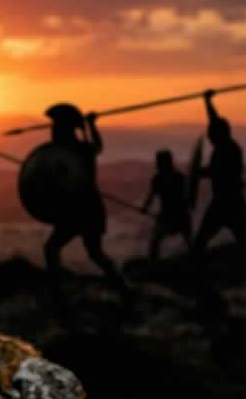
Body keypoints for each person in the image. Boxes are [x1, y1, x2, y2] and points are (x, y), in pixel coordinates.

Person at [40, 104, 129, 305]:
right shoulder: (73, 149)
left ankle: (59, 293)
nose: (52, 129)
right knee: (70, 251)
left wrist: (90, 126)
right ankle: (122, 289)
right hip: (79, 209)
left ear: (65, 128)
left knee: (89, 253)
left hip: (83, 209)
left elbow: (96, 147)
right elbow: (96, 147)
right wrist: (90, 126)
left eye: (56, 126)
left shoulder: (78, 151)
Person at [194, 90, 246, 298]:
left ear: (219, 134)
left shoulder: (228, 150)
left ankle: (207, 288)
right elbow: (215, 121)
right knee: (243, 247)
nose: (208, 136)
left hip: (227, 204)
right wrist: (208, 102)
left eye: (211, 134)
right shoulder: (225, 144)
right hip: (227, 203)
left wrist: (200, 172)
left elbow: (218, 172)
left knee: (205, 245)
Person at [140, 150, 192, 262]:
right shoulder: (159, 179)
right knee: (156, 240)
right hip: (169, 214)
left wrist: (145, 207)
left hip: (179, 214)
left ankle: (194, 258)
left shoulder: (178, 178)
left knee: (187, 239)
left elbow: (186, 196)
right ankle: (154, 263)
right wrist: (145, 207)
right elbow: (151, 195)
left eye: (160, 161)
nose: (158, 164)